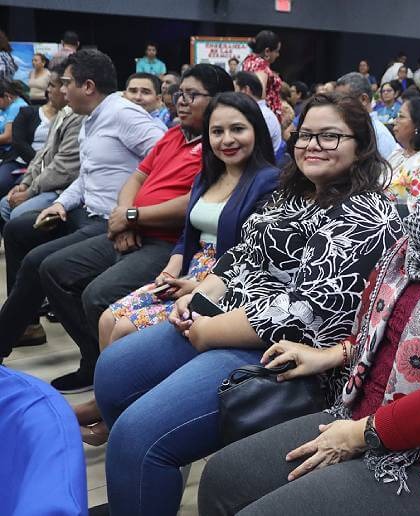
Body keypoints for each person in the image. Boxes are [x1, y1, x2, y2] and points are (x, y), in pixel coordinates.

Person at [197, 84, 420, 516]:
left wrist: (359, 434)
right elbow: (391, 330)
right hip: (364, 412)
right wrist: (335, 354)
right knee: (223, 476)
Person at [93, 92, 404, 515]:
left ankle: (145, 473)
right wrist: (200, 296)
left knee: (137, 435)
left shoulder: (368, 214)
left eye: (330, 136)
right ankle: (144, 487)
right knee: (113, 370)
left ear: (361, 145)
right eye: (306, 135)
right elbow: (241, 252)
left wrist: (208, 332)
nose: (313, 145)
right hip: (223, 318)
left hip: (281, 352)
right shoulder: (294, 191)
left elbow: (303, 314)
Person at [74, 91, 280, 446]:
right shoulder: (207, 176)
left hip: (225, 279)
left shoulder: (269, 181)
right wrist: (171, 272)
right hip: (188, 269)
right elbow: (187, 236)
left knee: (124, 328)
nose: (227, 140)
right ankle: (110, 408)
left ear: (256, 131)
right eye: (217, 131)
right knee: (107, 318)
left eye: (237, 129)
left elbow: (250, 253)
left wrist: (196, 284)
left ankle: (119, 416)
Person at [35, 63, 231, 393]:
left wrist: (132, 217)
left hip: (165, 242)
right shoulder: (172, 135)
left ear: (218, 99)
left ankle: (115, 381)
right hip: (133, 227)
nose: (182, 102)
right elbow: (136, 178)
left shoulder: (218, 146)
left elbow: (195, 202)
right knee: (52, 269)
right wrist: (125, 216)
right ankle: (96, 364)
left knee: (97, 295)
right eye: (179, 94)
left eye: (192, 95)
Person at [0, 49, 165, 364]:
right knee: (18, 229)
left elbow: (166, 164)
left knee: (41, 263)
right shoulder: (91, 118)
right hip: (86, 213)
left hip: (110, 221)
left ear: (88, 86)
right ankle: (26, 326)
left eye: (66, 82)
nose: (62, 90)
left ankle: (92, 358)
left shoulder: (123, 115)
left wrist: (133, 217)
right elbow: (86, 176)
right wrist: (60, 203)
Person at [1, 66, 83, 224]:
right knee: (5, 204)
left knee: (17, 214)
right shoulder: (61, 114)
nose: (48, 90)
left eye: (52, 85)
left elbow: (62, 168)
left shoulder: (77, 118)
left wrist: (30, 191)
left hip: (61, 188)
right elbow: (42, 154)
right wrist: (25, 183)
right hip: (42, 179)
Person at [385, 97, 420, 214]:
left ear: (418, 125)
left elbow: (415, 210)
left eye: (401, 117)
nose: (394, 121)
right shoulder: (399, 153)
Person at [335, 72, 399, 159]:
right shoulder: (346, 128)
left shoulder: (379, 134)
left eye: (343, 99)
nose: (337, 105)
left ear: (363, 99)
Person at [234, 71, 282, 156]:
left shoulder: (264, 116)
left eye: (234, 90)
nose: (231, 96)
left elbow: (251, 150)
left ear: (246, 90)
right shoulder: (255, 113)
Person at [0, 80, 31, 199]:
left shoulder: (16, 107)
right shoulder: (5, 107)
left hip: (13, 154)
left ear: (7, 96)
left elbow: (8, 137)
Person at [242, 30, 283, 117]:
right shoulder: (261, 65)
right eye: (276, 51)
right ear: (267, 51)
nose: (278, 55)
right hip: (264, 118)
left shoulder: (249, 61)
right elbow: (259, 92)